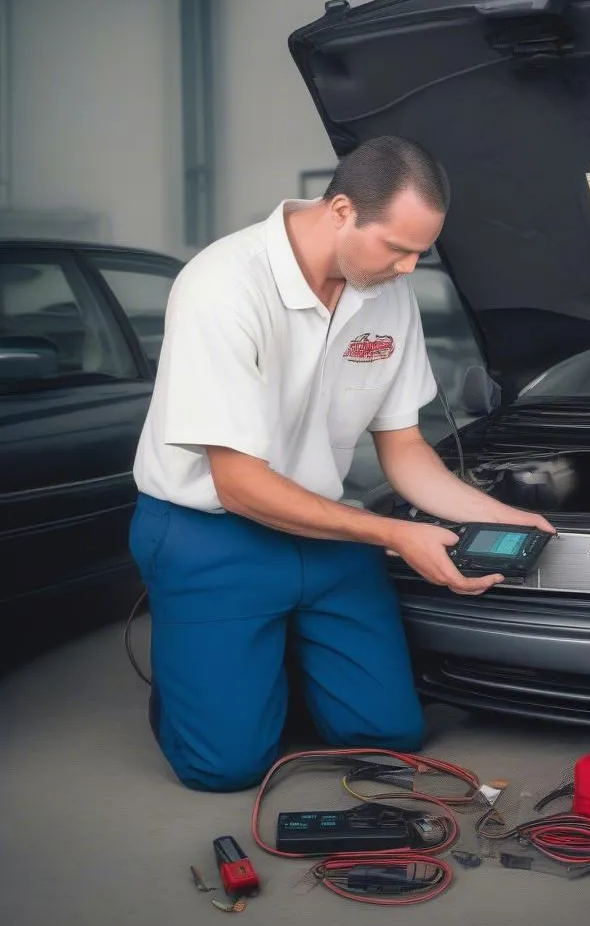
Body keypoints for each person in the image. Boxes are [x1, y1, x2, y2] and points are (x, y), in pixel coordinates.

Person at [130, 135, 554, 792]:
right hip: (211, 536)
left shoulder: (387, 293)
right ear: (340, 212)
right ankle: (205, 678)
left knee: (388, 739)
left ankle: (265, 665)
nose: (410, 268)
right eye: (397, 248)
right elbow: (239, 486)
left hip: (327, 533)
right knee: (227, 766)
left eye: (422, 251)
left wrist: (504, 515)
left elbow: (404, 448)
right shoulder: (221, 285)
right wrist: (395, 534)